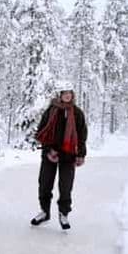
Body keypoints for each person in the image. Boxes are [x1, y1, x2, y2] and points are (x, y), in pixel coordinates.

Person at [30, 81, 88, 230]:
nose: (67, 96)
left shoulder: (77, 113)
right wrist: (49, 150)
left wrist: (81, 154)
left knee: (65, 186)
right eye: (64, 93)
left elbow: (82, 135)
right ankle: (44, 211)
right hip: (50, 154)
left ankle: (64, 213)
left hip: (69, 155)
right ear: (60, 95)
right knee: (44, 184)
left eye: (69, 93)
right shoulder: (51, 111)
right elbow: (42, 131)